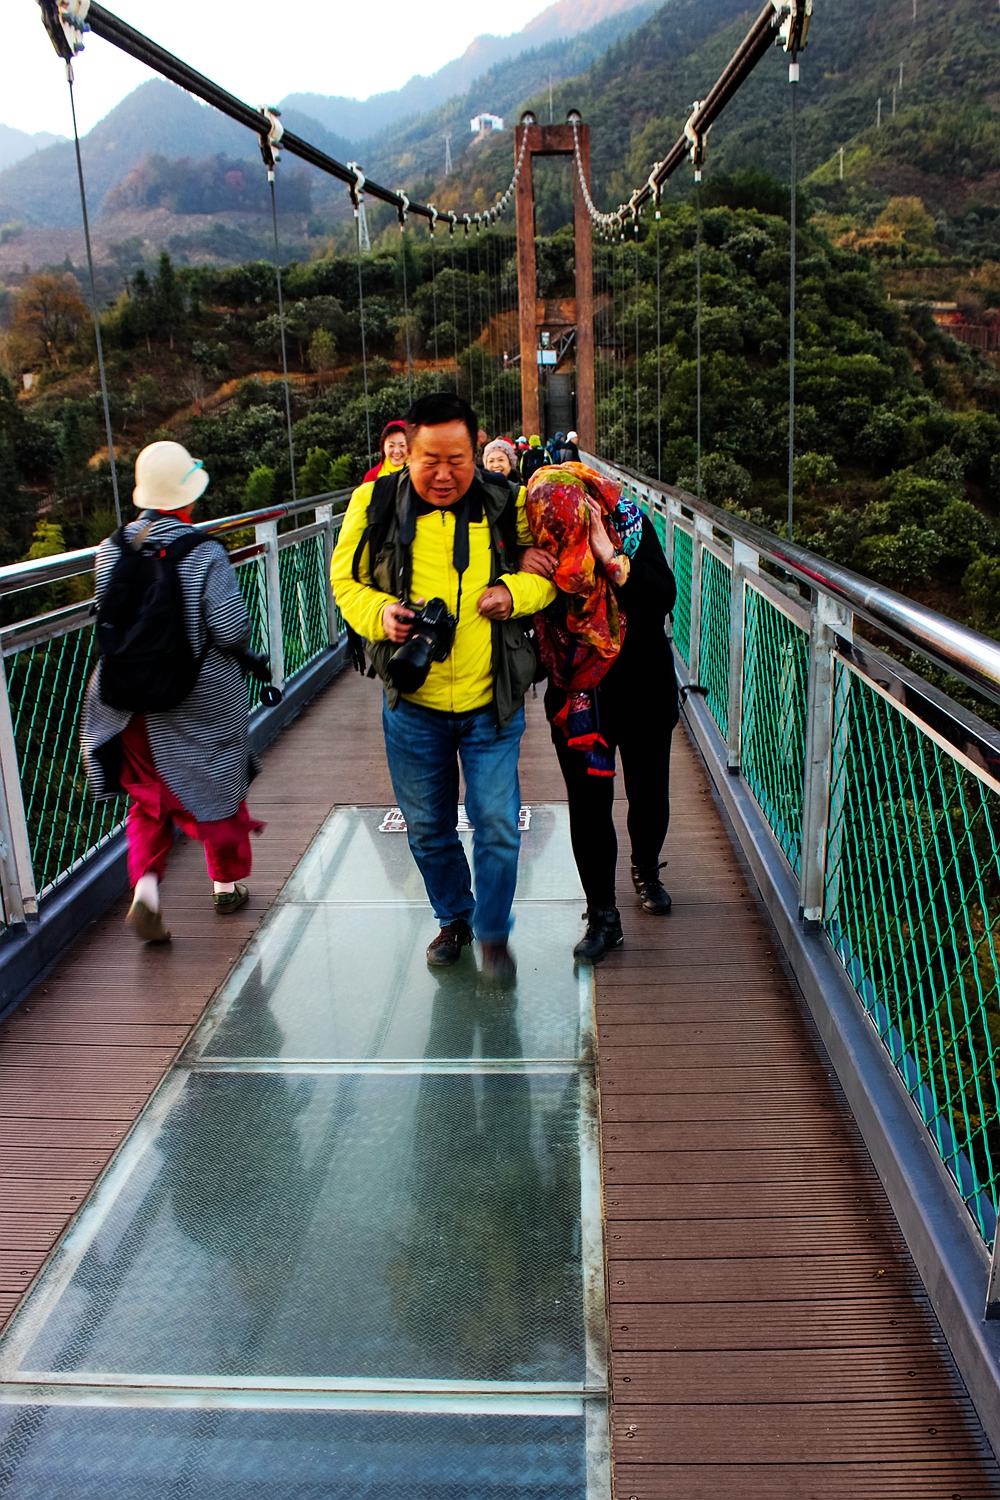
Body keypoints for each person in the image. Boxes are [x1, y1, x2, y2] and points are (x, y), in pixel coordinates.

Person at [330, 393, 557, 982]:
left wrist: (514, 595)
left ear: (476, 451)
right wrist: (381, 613)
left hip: (491, 701)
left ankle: (493, 935)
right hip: (414, 704)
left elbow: (548, 580)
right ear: (406, 454)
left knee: (499, 823)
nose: (442, 473)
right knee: (428, 826)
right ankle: (453, 916)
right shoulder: (374, 501)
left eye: (456, 459)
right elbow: (344, 580)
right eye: (428, 458)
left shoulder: (508, 501)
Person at [82, 440, 264, 944]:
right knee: (218, 789)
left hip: (128, 701)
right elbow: (231, 630)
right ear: (187, 495)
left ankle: (146, 892)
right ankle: (226, 886)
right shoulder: (203, 551)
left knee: (148, 799)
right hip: (196, 697)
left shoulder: (110, 546)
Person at [521, 462, 678, 962]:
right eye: (551, 530)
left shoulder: (629, 527)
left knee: (648, 793)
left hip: (644, 685)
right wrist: (520, 562)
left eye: (570, 527)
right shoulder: (534, 546)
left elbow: (661, 596)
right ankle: (603, 914)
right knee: (589, 805)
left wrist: (608, 555)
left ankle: (646, 866)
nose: (562, 539)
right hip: (579, 699)